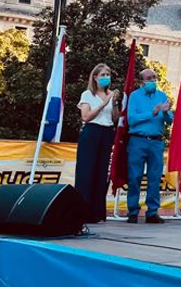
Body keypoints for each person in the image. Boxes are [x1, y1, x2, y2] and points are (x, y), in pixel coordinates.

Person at [74, 63, 119, 223]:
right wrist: (103, 104)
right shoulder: (88, 94)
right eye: (103, 75)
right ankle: (81, 211)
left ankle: (97, 212)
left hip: (107, 132)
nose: (106, 78)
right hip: (92, 131)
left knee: (101, 173)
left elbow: (114, 118)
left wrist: (113, 103)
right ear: (95, 77)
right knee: (86, 172)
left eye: (108, 75)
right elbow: (85, 116)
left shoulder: (110, 95)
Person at [125, 67, 172, 224]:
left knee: (154, 177)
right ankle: (133, 211)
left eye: (154, 78)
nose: (152, 81)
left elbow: (170, 121)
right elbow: (131, 119)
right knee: (134, 176)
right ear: (141, 82)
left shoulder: (162, 95)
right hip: (138, 140)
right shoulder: (135, 96)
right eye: (149, 78)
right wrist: (151, 113)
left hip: (156, 141)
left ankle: (152, 212)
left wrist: (165, 112)